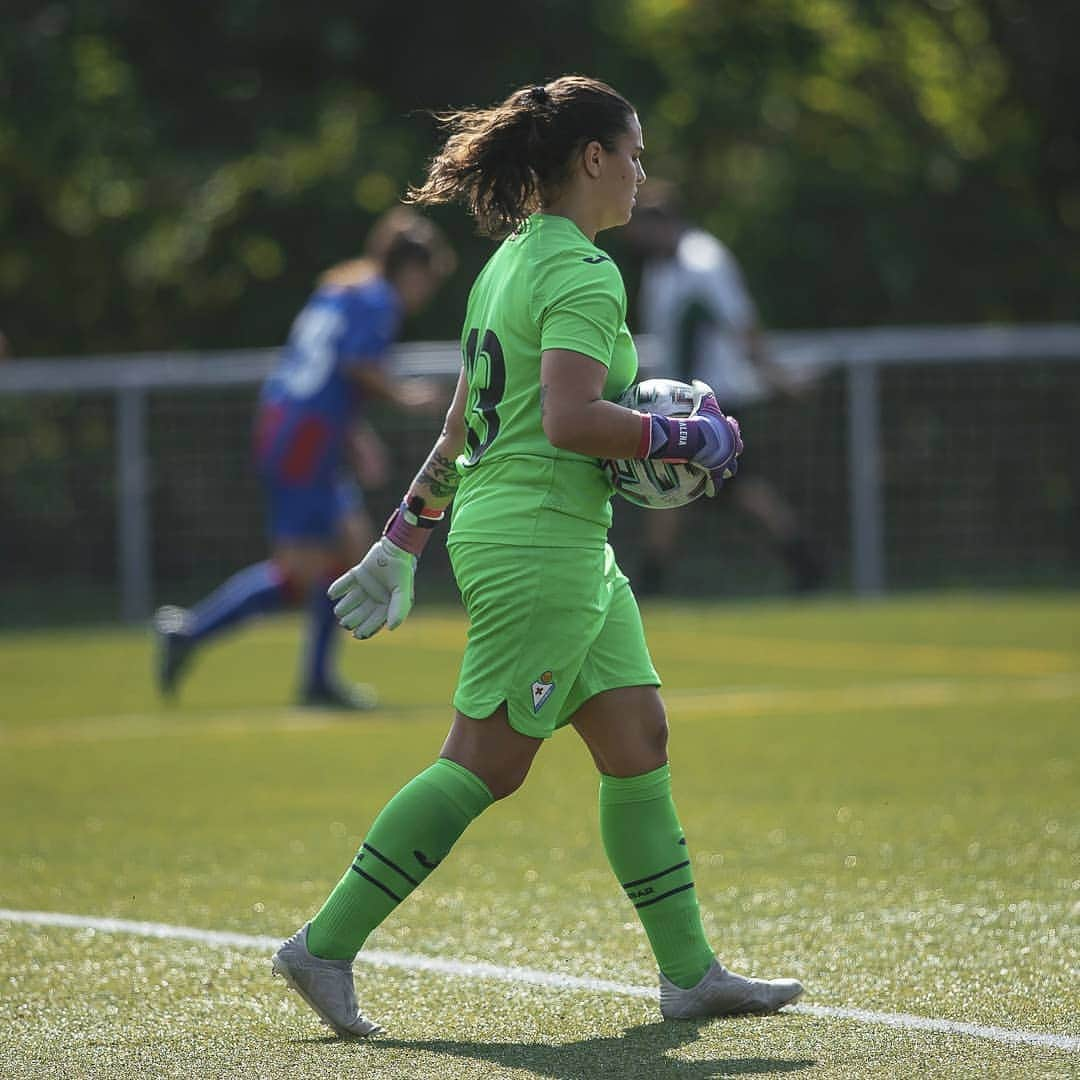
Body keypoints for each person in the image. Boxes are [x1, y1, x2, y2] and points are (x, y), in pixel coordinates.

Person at [270, 75, 803, 1034]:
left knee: (638, 738)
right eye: (633, 154)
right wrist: (688, 441)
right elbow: (567, 422)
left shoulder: (514, 259)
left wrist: (403, 535)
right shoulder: (582, 272)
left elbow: (465, 422)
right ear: (591, 159)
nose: (642, 173)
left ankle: (691, 975)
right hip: (536, 541)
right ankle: (324, 946)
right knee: (487, 762)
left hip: (563, 541)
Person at [154, 208, 455, 709]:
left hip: (290, 426)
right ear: (410, 270)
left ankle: (309, 675)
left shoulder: (343, 287)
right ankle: (193, 633)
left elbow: (325, 376)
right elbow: (356, 366)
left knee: (343, 550)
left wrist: (355, 437)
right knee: (303, 570)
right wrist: (407, 398)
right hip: (304, 440)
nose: (425, 293)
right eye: (426, 280)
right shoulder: (379, 300)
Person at [625, 183, 827, 595]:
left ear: (663, 222)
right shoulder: (662, 267)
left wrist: (778, 378)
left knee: (712, 487)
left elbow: (743, 326)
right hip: (678, 406)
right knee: (696, 487)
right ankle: (805, 563)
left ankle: (651, 583)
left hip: (713, 402)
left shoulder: (705, 262)